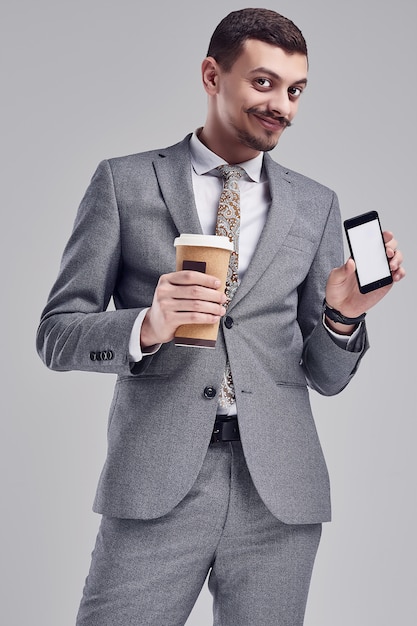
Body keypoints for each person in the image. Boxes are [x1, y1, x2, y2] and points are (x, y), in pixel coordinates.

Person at [36, 8, 405, 626]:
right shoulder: (125, 184)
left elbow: (326, 376)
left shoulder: (315, 205)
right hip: (156, 485)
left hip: (279, 496)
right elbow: (56, 333)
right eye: (263, 83)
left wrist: (343, 317)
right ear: (213, 74)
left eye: (295, 91)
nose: (282, 106)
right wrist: (145, 326)